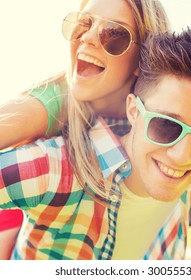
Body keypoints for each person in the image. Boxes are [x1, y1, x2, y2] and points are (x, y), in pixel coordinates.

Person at [0, 28, 191, 260]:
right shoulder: (59, 170)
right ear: (132, 110)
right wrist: (42, 106)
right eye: (166, 125)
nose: (183, 155)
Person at [0, 0, 171, 259]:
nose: (88, 37)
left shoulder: (171, 123)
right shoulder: (46, 107)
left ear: (143, 58)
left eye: (114, 33)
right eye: (83, 24)